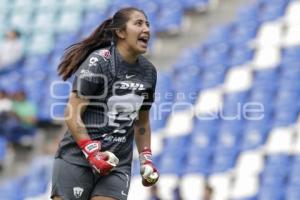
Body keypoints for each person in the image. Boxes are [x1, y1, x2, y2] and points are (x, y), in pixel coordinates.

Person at [51, 7, 159, 200]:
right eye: (139, 23)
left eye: (148, 24)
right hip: (78, 158)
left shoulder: (149, 72)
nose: (147, 29)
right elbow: (71, 113)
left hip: (117, 164)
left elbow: (142, 122)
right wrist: (92, 152)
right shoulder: (99, 61)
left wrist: (146, 160)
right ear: (120, 32)